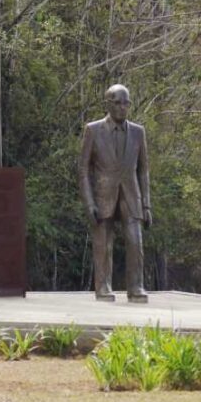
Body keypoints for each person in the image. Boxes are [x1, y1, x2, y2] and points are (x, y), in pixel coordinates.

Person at [79, 85, 152, 303]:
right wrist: (89, 202)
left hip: (131, 195)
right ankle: (103, 287)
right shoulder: (93, 130)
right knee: (103, 244)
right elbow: (83, 169)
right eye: (118, 102)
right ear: (108, 104)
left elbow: (143, 170)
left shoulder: (138, 132)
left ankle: (136, 287)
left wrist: (147, 204)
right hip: (103, 195)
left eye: (126, 103)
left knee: (135, 241)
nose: (123, 107)